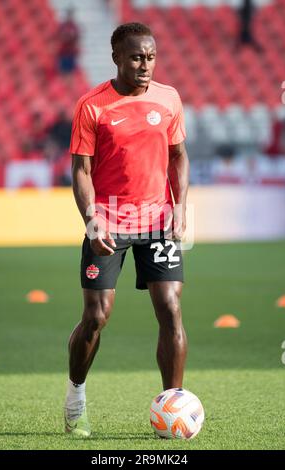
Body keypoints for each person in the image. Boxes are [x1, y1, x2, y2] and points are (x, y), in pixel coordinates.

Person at [64, 22, 190, 438]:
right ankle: (75, 398)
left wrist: (180, 207)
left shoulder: (169, 99)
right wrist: (91, 217)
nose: (145, 65)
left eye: (151, 57)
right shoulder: (92, 105)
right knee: (96, 317)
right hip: (110, 221)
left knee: (170, 309)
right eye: (136, 57)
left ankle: (172, 407)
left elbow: (178, 157)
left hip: (157, 220)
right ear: (117, 57)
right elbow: (80, 170)